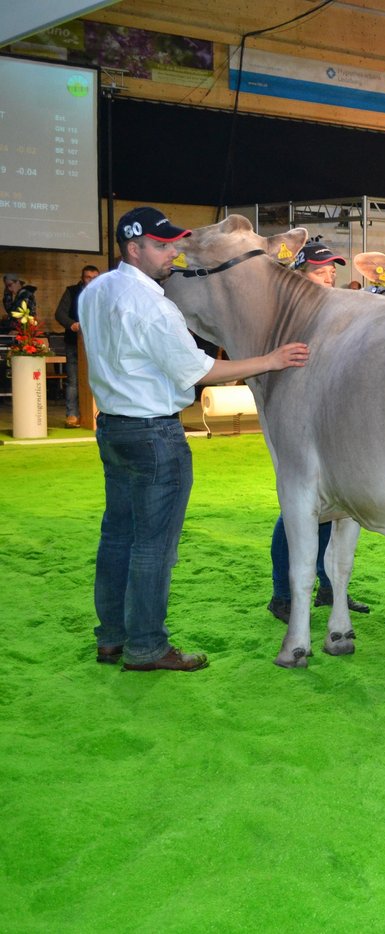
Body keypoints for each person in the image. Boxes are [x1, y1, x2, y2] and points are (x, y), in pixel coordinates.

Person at [84, 207, 309, 671]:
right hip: (153, 433)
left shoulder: (97, 290)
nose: (173, 254)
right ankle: (146, 646)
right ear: (134, 248)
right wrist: (270, 360)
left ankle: (111, 638)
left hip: (112, 427)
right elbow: (202, 371)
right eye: (162, 246)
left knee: (117, 536)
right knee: (153, 547)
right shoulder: (153, 306)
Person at [267, 241, 369, 623]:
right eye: (319, 268)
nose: (328, 274)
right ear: (299, 274)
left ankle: (330, 588)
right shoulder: (290, 317)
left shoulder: (338, 310)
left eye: (331, 268)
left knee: (333, 507)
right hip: (300, 422)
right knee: (299, 508)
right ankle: (282, 593)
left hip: (336, 421)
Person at [53, 264, 100, 427]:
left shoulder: (104, 293)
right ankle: (72, 415)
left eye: (95, 278)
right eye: (88, 277)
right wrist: (72, 324)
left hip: (99, 346)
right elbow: (59, 314)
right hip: (75, 343)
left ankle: (99, 415)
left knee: (99, 379)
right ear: (82, 278)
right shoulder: (72, 291)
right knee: (73, 380)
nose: (91, 280)